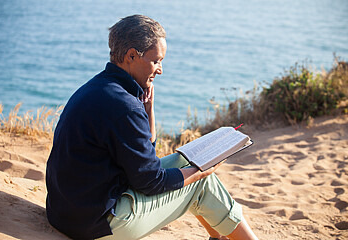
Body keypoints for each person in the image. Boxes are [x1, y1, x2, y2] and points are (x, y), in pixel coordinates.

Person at [46, 14, 258, 240]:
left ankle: (220, 238)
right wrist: (199, 173)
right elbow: (151, 181)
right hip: (99, 225)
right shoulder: (125, 107)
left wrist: (148, 108)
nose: (160, 70)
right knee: (201, 182)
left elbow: (144, 156)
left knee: (185, 164)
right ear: (131, 56)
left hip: (66, 213)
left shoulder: (97, 87)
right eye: (156, 60)